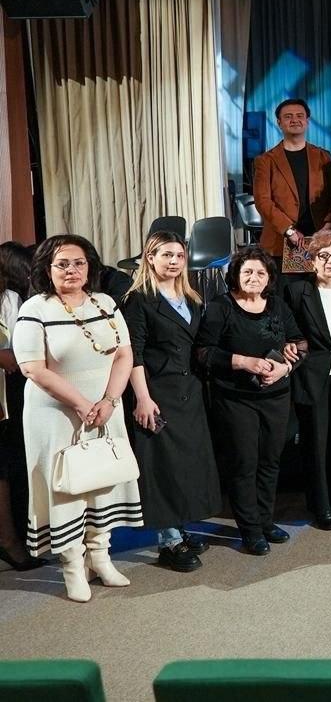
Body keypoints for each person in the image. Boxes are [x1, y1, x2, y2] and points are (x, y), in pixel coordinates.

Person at [12, 235, 142, 601]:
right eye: (63, 264)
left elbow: (124, 354)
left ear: (90, 267)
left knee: (102, 482)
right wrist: (82, 404)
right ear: (46, 269)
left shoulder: (105, 302)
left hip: (105, 409)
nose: (72, 270)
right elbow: (33, 368)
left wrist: (109, 400)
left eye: (79, 263)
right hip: (56, 415)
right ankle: (72, 568)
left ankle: (100, 558)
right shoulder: (35, 308)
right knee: (67, 488)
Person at [195, 246, 306, 556]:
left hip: (276, 397)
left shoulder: (278, 305)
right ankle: (250, 529)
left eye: (260, 272)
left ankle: (265, 520)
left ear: (269, 277)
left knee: (270, 461)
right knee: (244, 463)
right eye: (247, 272)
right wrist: (244, 362)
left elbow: (299, 342)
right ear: (236, 275)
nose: (254, 277)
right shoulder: (221, 307)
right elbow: (203, 352)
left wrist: (286, 368)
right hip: (235, 399)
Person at [122, 231, 220, 573]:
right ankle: (168, 541)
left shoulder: (192, 299)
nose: (174, 261)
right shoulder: (138, 300)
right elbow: (132, 354)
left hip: (190, 393)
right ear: (150, 258)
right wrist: (142, 398)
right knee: (163, 467)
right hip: (157, 393)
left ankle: (180, 529)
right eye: (166, 255)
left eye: (179, 255)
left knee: (185, 466)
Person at [283, 230, 331, 532]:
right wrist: (286, 345)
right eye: (323, 255)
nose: (330, 261)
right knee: (315, 445)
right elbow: (286, 330)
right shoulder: (296, 291)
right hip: (311, 377)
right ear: (312, 260)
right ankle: (321, 506)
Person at [253, 98, 331, 266]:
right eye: (288, 116)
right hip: (279, 242)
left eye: (300, 116)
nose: (295, 120)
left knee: (318, 283)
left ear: (307, 121)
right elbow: (262, 201)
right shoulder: (265, 161)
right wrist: (288, 230)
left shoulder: (323, 156)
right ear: (279, 123)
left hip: (320, 240)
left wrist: (330, 224)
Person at [0, 244, 42, 571]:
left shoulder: (12, 300)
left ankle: (16, 537)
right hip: (6, 394)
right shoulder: (11, 300)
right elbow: (12, 356)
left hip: (12, 394)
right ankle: (9, 540)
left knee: (11, 466)